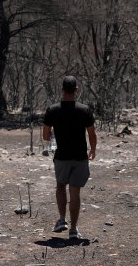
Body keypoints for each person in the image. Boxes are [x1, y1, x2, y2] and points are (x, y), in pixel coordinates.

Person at [43, 75, 97, 240]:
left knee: (60, 186)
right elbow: (92, 134)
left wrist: (53, 135)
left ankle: (61, 220)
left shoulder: (52, 110)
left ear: (61, 89)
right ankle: (73, 229)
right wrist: (93, 149)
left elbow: (45, 135)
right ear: (76, 90)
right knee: (75, 193)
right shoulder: (84, 110)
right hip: (80, 157)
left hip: (61, 156)